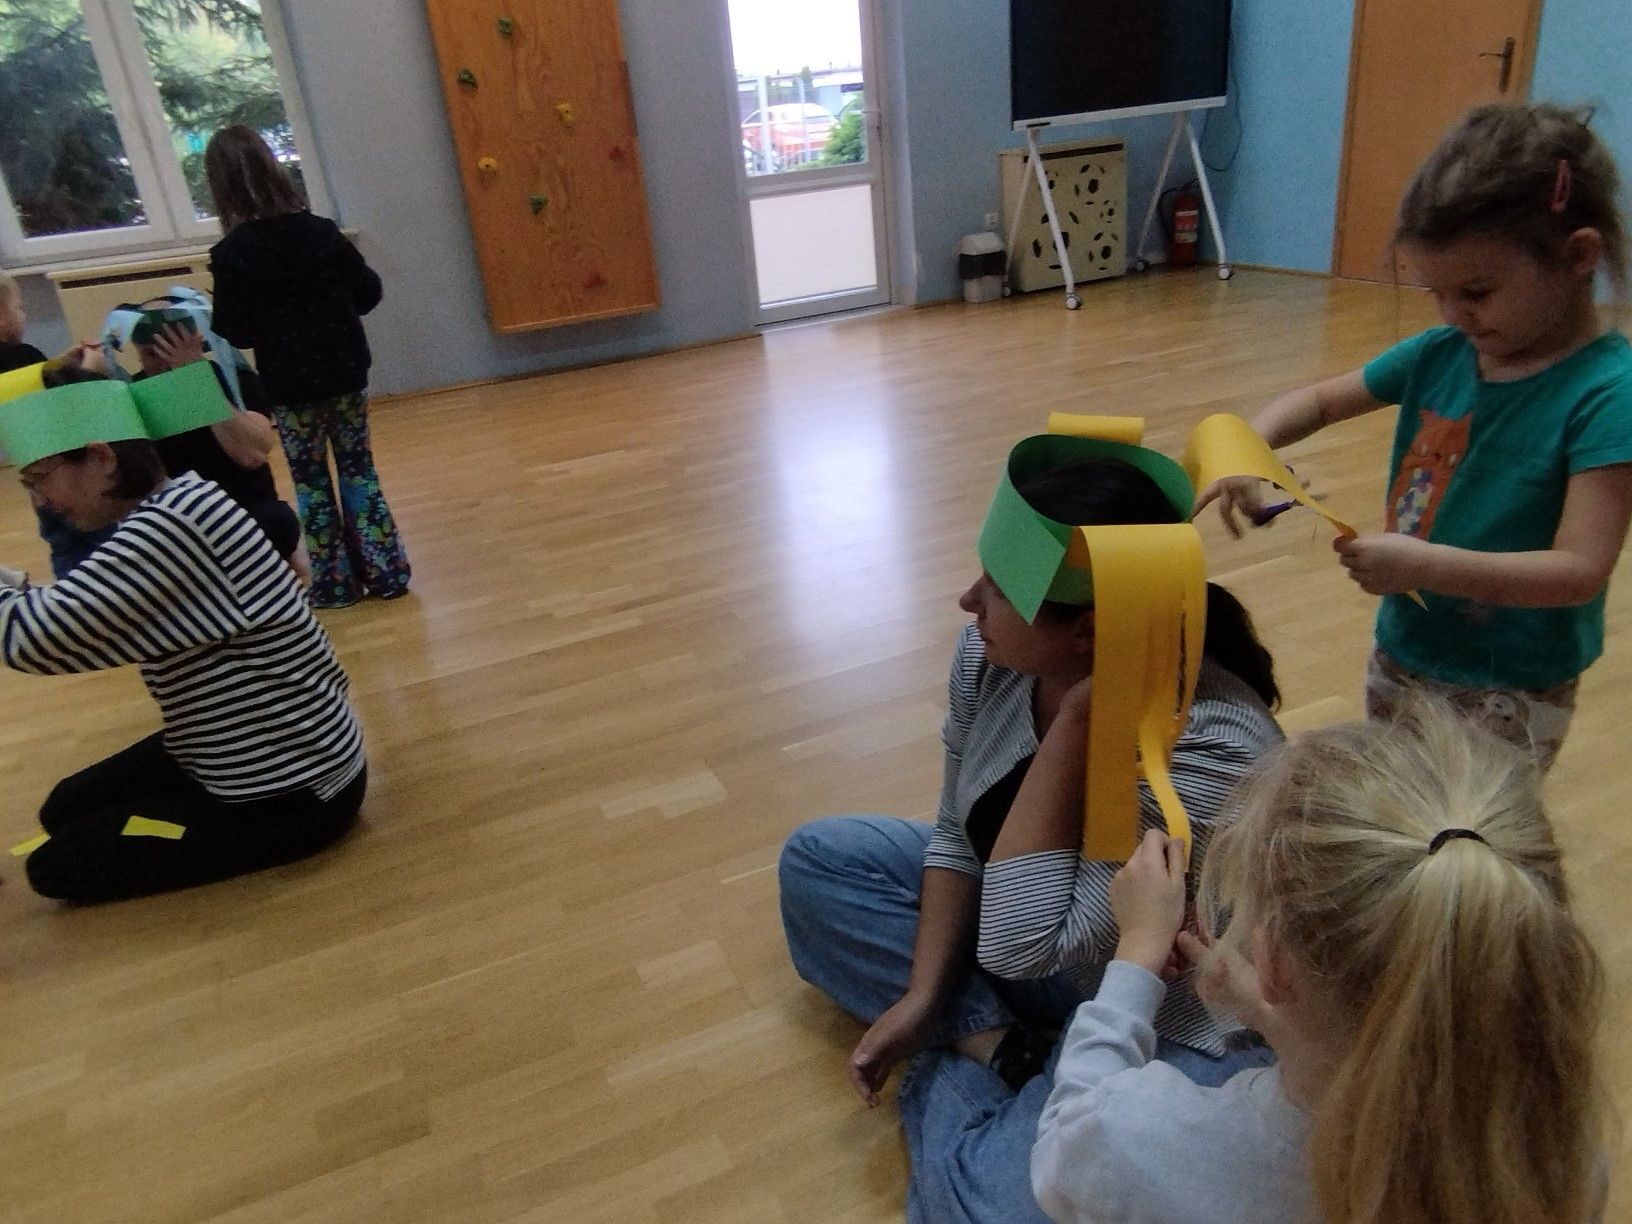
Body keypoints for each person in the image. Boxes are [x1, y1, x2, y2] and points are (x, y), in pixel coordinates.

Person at [779, 438, 1283, 1222]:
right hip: (1045, 950)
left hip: (1158, 1004)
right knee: (818, 863)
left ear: (1087, 632)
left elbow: (1025, 943)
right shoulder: (993, 656)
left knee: (994, 1208)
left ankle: (976, 1067)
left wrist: (1078, 718)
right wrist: (924, 995)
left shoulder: (1212, 747)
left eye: (997, 588)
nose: (967, 601)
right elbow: (956, 831)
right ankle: (1001, 1047)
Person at [1031, 699, 1607, 1224]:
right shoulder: (1556, 1151)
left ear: (1275, 964)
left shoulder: (1143, 1139)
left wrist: (1136, 952)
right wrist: (1271, 1012)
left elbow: (1063, 1145)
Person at [1197, 102, 1632, 768]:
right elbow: (1319, 401)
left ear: (1578, 256)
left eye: (1477, 292)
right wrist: (1250, 449)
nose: (1454, 314)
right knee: (1395, 807)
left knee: (1465, 827)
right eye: (1437, 292)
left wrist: (1424, 566)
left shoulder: (1608, 395)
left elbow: (1578, 572)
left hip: (1514, 684)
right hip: (1406, 650)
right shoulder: (1442, 352)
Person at [0, 367, 367, 903]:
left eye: (41, 478)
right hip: (230, 749)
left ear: (101, 458)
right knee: (64, 808)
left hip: (292, 791)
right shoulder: (183, 501)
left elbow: (33, 637)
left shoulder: (171, 529)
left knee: (56, 866)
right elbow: (62, 609)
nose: (40, 500)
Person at [204, 124, 409, 609]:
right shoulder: (322, 232)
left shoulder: (231, 254)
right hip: (345, 374)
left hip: (290, 388)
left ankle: (335, 585)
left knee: (311, 484)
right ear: (273, 169)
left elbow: (234, 330)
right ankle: (386, 572)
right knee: (359, 471)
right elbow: (368, 291)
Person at [112, 295, 309, 581]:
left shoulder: (233, 379)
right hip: (177, 521)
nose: (164, 363)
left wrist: (196, 379)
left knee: (277, 523)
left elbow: (252, 454)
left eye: (170, 349)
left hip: (241, 511)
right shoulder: (134, 394)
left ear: (196, 339)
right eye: (152, 354)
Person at [0, 271, 116, 576]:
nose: (23, 315)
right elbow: (66, 403)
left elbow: (32, 379)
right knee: (98, 540)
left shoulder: (16, 363)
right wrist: (90, 371)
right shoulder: (21, 354)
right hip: (70, 476)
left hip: (37, 480)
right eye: (19, 308)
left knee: (63, 545)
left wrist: (59, 364)